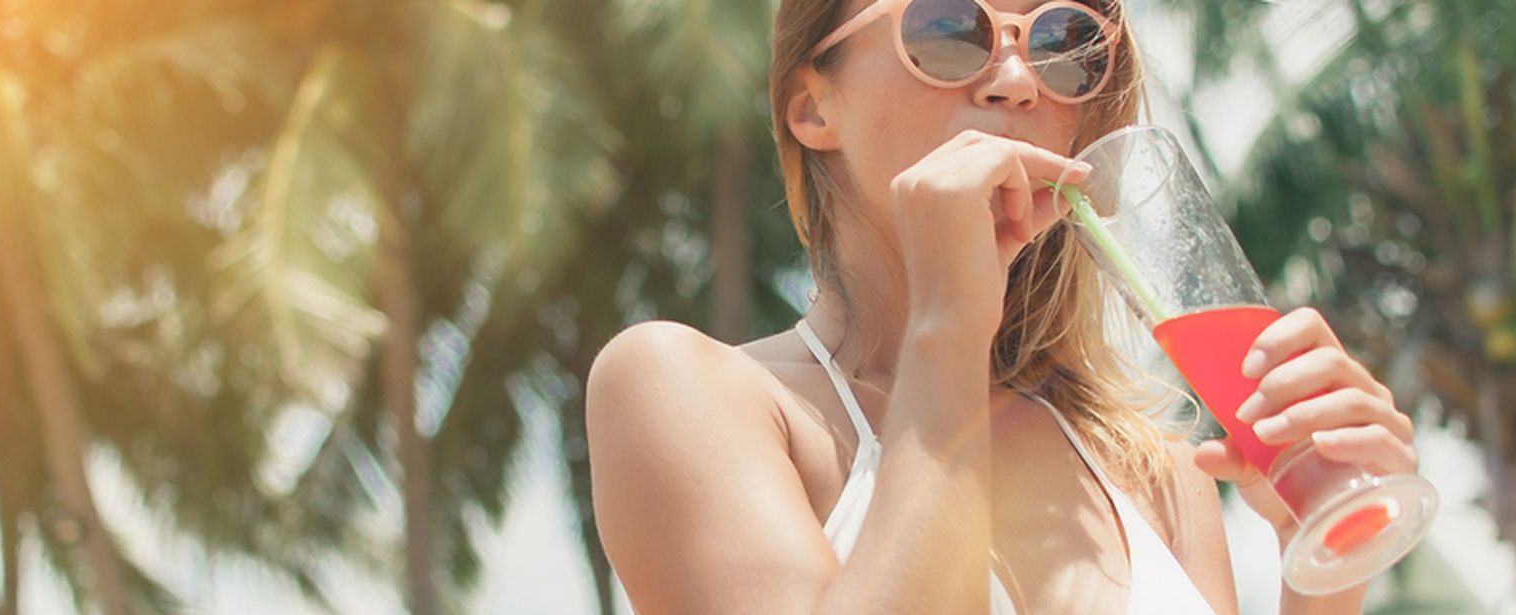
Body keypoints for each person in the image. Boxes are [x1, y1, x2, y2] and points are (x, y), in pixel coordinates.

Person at [584, 0, 1421, 612]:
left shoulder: (1152, 468)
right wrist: (946, 331)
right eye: (949, 31)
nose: (1019, 81)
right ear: (813, 106)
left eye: (1062, 43)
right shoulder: (684, 391)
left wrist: (1325, 568)